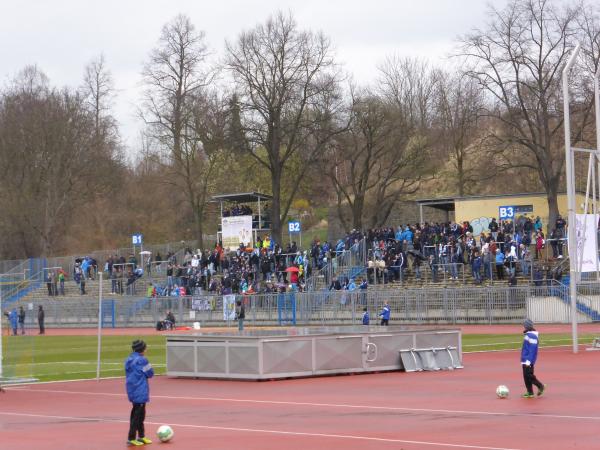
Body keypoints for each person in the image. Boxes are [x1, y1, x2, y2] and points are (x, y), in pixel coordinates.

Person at [125, 340, 154, 446]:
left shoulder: (128, 359)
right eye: (145, 347)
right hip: (140, 390)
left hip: (131, 389)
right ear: (142, 349)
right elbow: (150, 373)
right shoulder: (143, 360)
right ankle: (131, 437)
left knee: (138, 413)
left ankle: (141, 436)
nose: (146, 349)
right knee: (138, 415)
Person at [521, 319, 545, 398]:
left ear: (527, 326)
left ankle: (540, 386)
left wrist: (528, 361)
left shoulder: (531, 336)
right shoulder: (528, 335)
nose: (523, 327)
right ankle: (530, 392)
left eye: (524, 325)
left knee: (529, 375)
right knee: (526, 376)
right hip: (525, 359)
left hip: (528, 360)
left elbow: (532, 350)